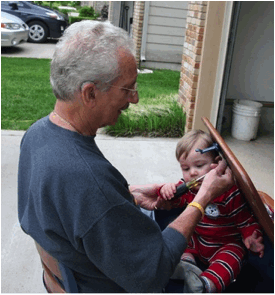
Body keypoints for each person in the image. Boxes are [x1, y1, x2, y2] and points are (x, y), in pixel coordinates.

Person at [17, 20, 234, 293]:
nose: (135, 99)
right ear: (90, 93)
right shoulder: (87, 179)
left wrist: (128, 196)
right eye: (128, 88)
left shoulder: (37, 136)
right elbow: (154, 274)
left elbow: (76, 208)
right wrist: (202, 199)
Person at [159, 130, 264, 293]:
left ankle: (205, 284)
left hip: (224, 245)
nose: (192, 173)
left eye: (199, 165)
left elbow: (246, 221)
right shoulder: (188, 188)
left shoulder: (230, 193)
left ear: (216, 164)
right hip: (197, 240)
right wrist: (168, 192)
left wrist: (251, 236)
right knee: (180, 236)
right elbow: (173, 202)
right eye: (185, 168)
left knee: (234, 255)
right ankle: (186, 266)